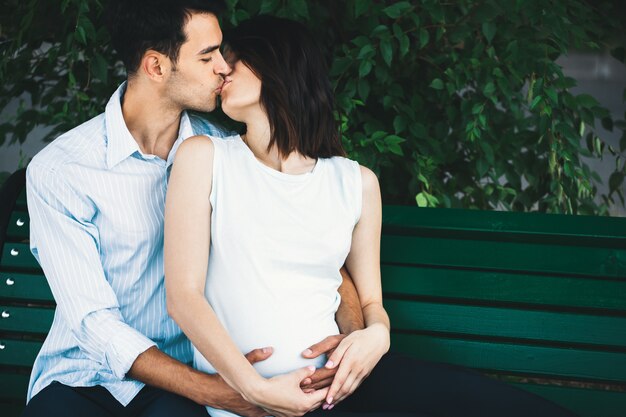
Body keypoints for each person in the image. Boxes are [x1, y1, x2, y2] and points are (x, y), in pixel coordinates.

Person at [165, 15, 581, 417]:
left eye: (233, 57)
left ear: (276, 64)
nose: (221, 70)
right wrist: (252, 388)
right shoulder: (205, 158)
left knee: (499, 406)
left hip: (347, 381)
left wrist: (376, 338)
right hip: (263, 401)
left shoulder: (355, 182)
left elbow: (369, 300)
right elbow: (183, 295)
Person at [21, 2, 363, 416]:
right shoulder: (63, 170)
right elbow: (94, 323)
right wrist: (214, 391)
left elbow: (309, 249)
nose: (224, 67)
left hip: (195, 375)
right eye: (208, 56)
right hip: (86, 378)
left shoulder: (224, 151)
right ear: (156, 67)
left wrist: (357, 335)